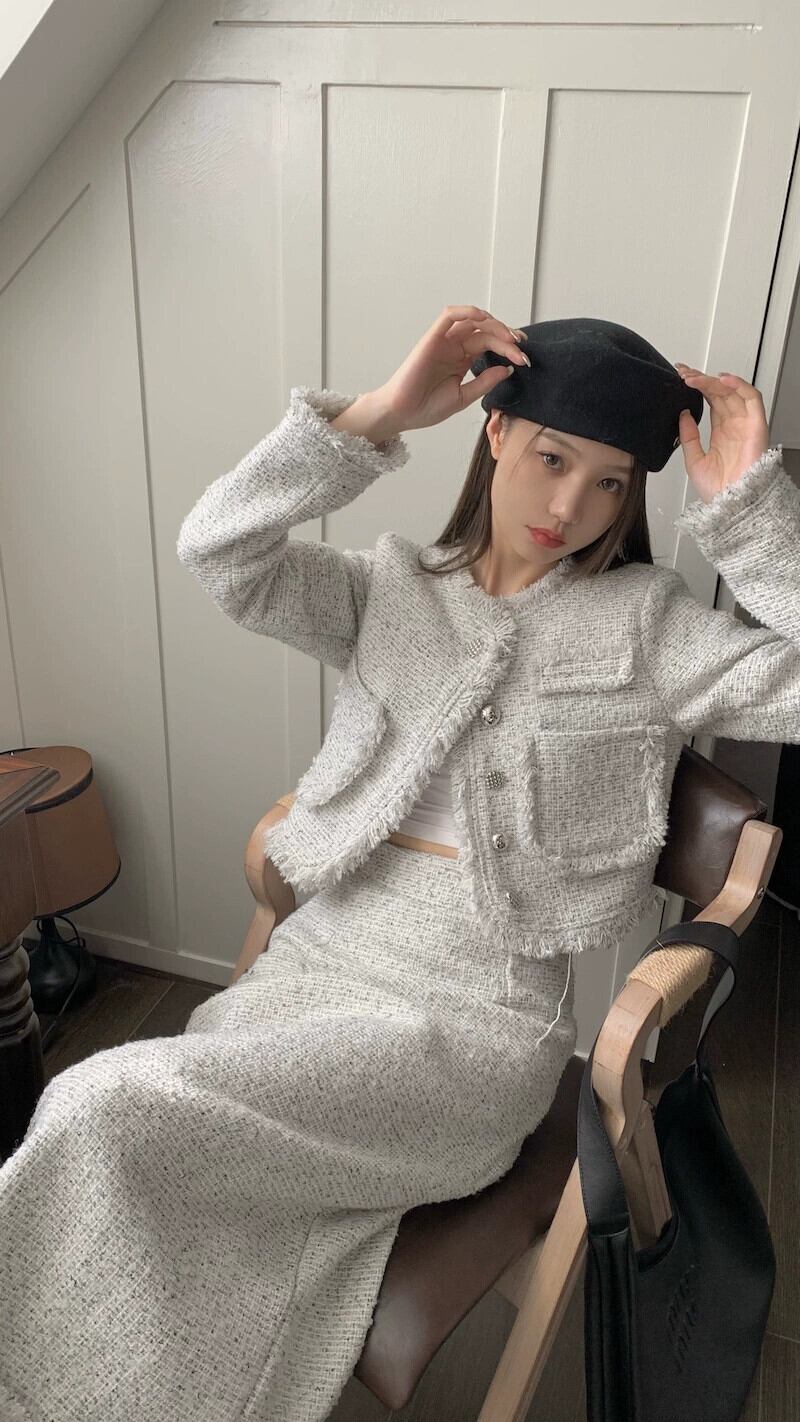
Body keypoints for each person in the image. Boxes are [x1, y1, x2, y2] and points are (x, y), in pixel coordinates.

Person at [1, 307, 795, 1422]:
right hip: (312, 971)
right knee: (124, 1150)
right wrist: (374, 418)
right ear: (495, 433)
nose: (570, 506)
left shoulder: (649, 628)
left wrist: (748, 512)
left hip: (473, 1028)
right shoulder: (391, 590)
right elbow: (217, 547)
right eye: (551, 458)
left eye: (610, 483)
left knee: (100, 1104)